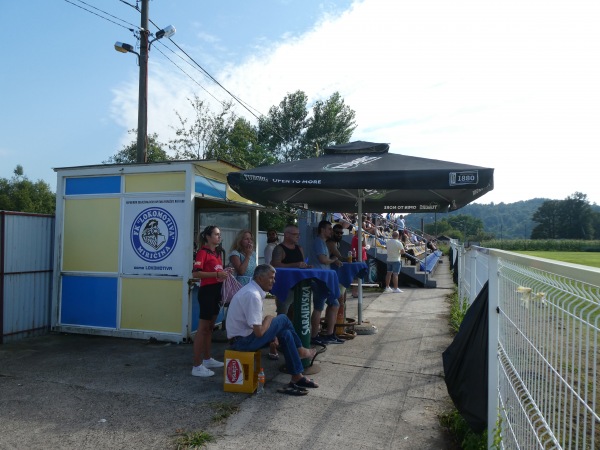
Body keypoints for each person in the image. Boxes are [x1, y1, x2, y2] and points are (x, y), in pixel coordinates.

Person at [227, 264, 319, 395]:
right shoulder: (252, 295)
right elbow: (259, 333)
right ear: (259, 278)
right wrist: (268, 319)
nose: (274, 281)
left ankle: (297, 377)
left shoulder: (252, 291)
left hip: (244, 338)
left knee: (285, 333)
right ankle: (301, 350)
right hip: (242, 343)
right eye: (271, 278)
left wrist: (272, 332)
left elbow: (254, 326)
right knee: (282, 318)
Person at [191, 225, 230, 377]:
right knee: (202, 329)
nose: (219, 237)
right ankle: (196, 365)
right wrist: (217, 274)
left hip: (217, 291)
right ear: (208, 236)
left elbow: (218, 272)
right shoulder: (202, 252)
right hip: (207, 292)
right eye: (216, 234)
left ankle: (207, 359)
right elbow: (196, 273)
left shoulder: (218, 253)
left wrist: (224, 273)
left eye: (220, 235)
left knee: (210, 328)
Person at [309, 220, 344, 345]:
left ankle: (329, 334)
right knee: (318, 308)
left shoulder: (322, 242)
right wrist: (333, 259)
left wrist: (332, 260)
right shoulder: (319, 242)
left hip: (324, 279)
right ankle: (314, 335)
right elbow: (323, 260)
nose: (331, 231)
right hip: (319, 279)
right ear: (322, 230)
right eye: (329, 229)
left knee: (334, 304)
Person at [270, 224, 310, 315]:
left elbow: (302, 264)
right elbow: (276, 265)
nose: (298, 237)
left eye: (299, 234)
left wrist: (307, 267)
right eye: (295, 234)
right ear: (287, 235)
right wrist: (296, 265)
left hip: (300, 286)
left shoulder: (299, 248)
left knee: (298, 314)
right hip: (285, 286)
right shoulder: (279, 249)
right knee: (283, 314)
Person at [350, 229, 368, 297]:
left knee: (359, 277)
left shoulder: (357, 238)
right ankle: (355, 292)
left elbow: (362, 246)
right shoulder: (356, 238)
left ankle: (356, 292)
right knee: (357, 277)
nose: (362, 233)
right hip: (358, 259)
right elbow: (364, 244)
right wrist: (365, 236)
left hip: (361, 258)